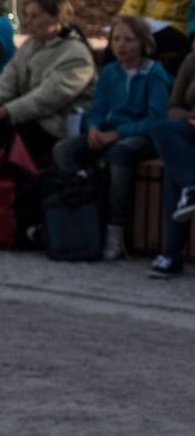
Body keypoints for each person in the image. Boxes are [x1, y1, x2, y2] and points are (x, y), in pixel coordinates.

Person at [0, 0, 96, 209]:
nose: (28, 22)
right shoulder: (31, 45)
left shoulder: (75, 54)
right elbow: (8, 80)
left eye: (35, 16)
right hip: (29, 118)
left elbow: (45, 98)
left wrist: (2, 112)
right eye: (27, 15)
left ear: (57, 19)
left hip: (58, 125)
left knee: (6, 136)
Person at [54, 17, 174, 262]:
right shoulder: (110, 71)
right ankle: (80, 208)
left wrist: (118, 133)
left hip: (140, 137)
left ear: (144, 43)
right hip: (107, 133)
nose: (121, 45)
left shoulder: (155, 75)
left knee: (119, 153)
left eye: (129, 40)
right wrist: (93, 128)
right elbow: (98, 107)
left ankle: (114, 228)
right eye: (116, 39)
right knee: (64, 149)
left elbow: (156, 120)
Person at [147, 50, 195, 278]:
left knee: (174, 168)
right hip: (191, 129)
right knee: (163, 130)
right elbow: (174, 106)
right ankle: (191, 188)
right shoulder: (192, 60)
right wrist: (188, 118)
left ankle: (172, 255)